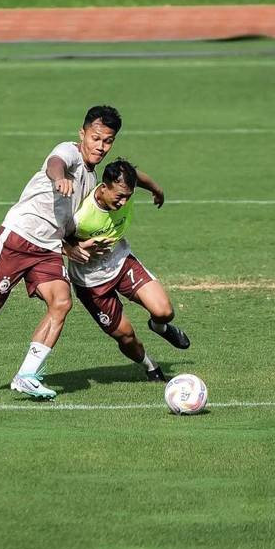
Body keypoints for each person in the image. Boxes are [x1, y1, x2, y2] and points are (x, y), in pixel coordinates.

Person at [0, 105, 155, 400]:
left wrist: (75, 246)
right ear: (82, 134)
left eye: (108, 141)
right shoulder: (69, 153)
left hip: (48, 250)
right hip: (18, 239)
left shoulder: (91, 180)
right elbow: (55, 163)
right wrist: (59, 177)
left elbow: (68, 224)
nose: (100, 147)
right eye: (96, 138)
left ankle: (26, 374)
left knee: (61, 303)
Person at [67, 158, 190, 383]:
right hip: (91, 282)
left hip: (121, 262)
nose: (123, 202)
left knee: (164, 311)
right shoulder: (81, 217)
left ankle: (159, 327)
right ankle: (150, 366)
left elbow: (136, 174)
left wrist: (156, 189)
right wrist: (75, 248)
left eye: (128, 196)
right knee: (125, 336)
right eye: (119, 196)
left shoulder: (125, 190)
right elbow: (52, 240)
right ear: (103, 188)